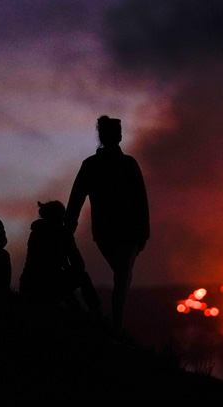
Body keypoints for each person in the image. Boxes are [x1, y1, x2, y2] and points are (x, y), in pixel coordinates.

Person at [65, 116, 149, 337]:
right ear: (117, 137)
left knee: (121, 276)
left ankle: (115, 327)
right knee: (122, 277)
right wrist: (144, 233)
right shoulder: (125, 164)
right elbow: (141, 200)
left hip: (109, 233)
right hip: (124, 232)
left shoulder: (92, 165)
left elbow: (75, 199)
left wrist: (68, 228)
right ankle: (116, 329)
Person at [20, 200, 102, 317]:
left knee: (61, 278)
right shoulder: (62, 233)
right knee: (82, 277)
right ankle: (97, 313)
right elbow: (79, 266)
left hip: (28, 286)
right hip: (46, 287)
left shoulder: (36, 232)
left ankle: (79, 310)